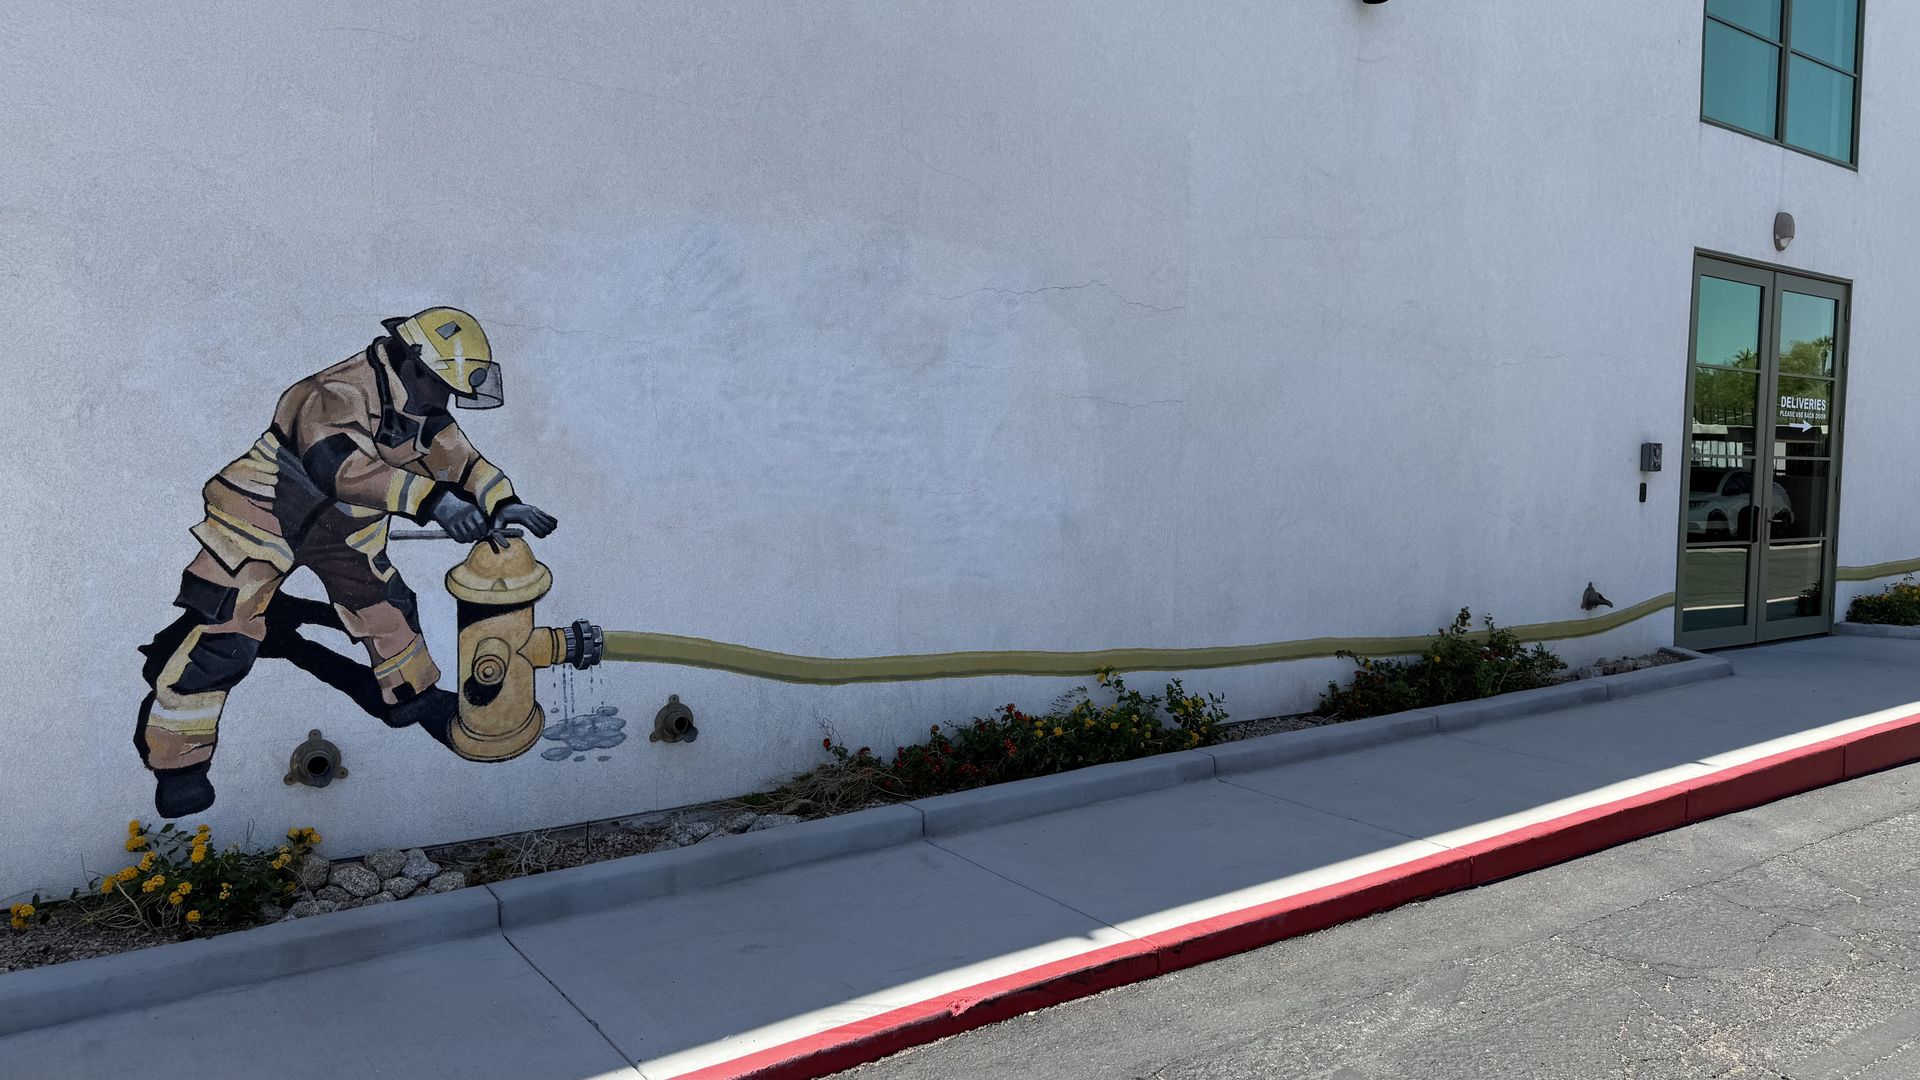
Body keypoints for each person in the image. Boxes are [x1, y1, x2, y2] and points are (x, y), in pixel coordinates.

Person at [135, 307, 558, 817]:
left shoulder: (420, 405)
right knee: (225, 636)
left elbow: (461, 459)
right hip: (262, 511)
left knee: (389, 609)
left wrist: (501, 501)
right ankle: (179, 765)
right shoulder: (337, 393)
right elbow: (343, 469)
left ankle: (413, 698)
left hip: (341, 525)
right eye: (442, 385)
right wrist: (436, 503)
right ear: (414, 363)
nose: (445, 400)